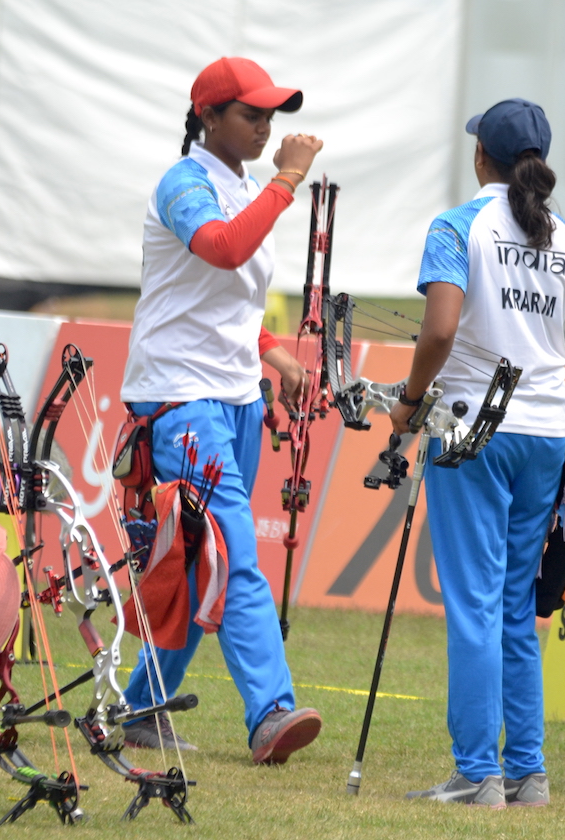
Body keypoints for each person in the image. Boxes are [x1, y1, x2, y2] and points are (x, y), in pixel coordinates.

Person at [392, 98, 565, 808]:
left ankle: (475, 773)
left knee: (475, 603)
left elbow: (439, 330)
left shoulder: (458, 226)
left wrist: (406, 401)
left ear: (481, 156)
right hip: (545, 433)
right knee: (516, 603)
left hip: (471, 429)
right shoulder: (563, 234)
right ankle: (527, 771)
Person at [118, 56, 325, 764]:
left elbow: (221, 300)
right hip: (180, 399)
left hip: (234, 395)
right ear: (208, 117)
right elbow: (220, 250)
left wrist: (275, 352)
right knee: (232, 549)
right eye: (251, 114)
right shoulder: (186, 184)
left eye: (271, 115)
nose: (267, 127)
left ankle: (143, 706)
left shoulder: (238, 184)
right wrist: (287, 182)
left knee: (198, 557)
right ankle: (270, 711)